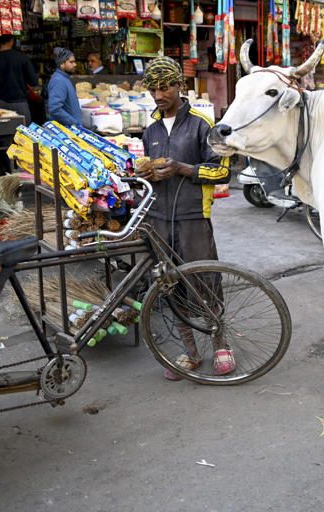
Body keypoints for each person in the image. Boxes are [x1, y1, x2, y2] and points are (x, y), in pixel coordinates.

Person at [136, 56, 232, 381]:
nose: (159, 94)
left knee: (205, 281)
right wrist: (146, 173)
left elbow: (222, 170)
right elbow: (149, 172)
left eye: (165, 87)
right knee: (169, 284)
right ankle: (191, 352)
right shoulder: (150, 132)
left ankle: (221, 344)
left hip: (193, 215)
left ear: (180, 85)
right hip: (159, 217)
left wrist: (182, 168)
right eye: (153, 89)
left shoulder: (200, 125)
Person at [0, 35, 38, 124]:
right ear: (12, 41)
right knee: (24, 134)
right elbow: (33, 81)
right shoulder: (22, 57)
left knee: (3, 134)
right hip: (20, 103)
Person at [47, 47, 82, 127]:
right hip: (67, 130)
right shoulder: (59, 80)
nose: (75, 64)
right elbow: (55, 109)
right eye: (71, 62)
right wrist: (74, 123)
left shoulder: (64, 78)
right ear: (62, 63)